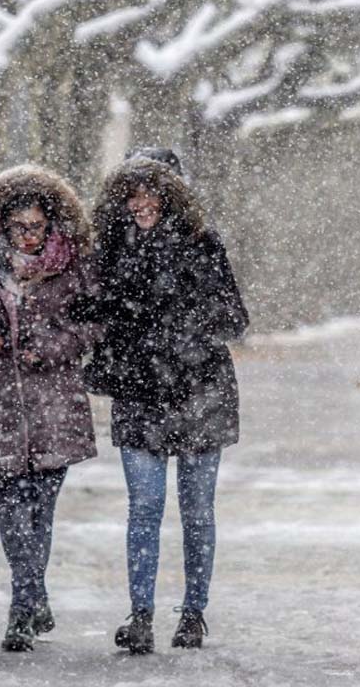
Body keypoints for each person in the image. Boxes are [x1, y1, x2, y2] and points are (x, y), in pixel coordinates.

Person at [83, 155, 248, 655]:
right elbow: (92, 312)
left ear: (172, 195)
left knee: (197, 511)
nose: (141, 204)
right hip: (139, 394)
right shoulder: (109, 248)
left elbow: (234, 317)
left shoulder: (202, 244)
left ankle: (194, 613)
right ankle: (140, 616)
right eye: (131, 194)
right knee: (145, 508)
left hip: (200, 392)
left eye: (150, 192)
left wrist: (182, 326)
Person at [0, 165, 97, 652]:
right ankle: (27, 599)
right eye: (18, 227)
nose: (27, 236)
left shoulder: (74, 265)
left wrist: (55, 345)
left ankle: (27, 598)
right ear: (1, 225)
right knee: (10, 513)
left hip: (54, 405)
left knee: (40, 513)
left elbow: (97, 323)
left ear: (51, 225)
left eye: (35, 226)